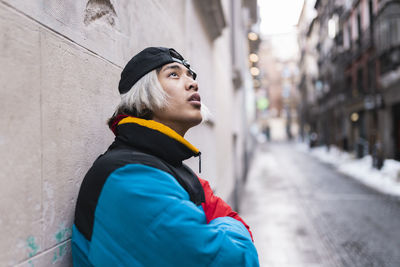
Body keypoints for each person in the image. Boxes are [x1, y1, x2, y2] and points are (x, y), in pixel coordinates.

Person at [72, 47, 259, 266]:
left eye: (190, 75)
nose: (192, 83)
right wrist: (227, 227)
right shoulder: (130, 174)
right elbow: (233, 258)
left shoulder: (165, 167)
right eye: (174, 74)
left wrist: (222, 226)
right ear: (143, 99)